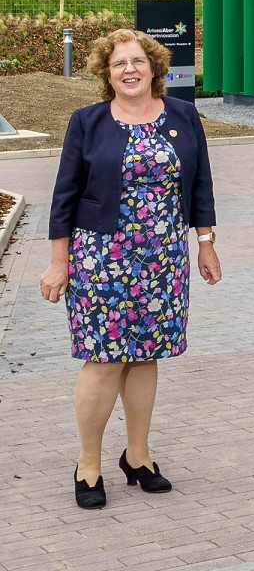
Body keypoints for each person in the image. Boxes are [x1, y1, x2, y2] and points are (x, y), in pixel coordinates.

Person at [40, 28, 221, 509]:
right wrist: (59, 263)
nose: (130, 70)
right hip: (101, 260)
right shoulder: (87, 122)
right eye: (119, 63)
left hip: (162, 259)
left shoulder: (183, 116)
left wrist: (205, 244)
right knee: (103, 360)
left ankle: (138, 457)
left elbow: (200, 184)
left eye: (138, 60)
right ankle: (88, 463)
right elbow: (64, 200)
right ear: (106, 72)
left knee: (145, 356)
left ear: (154, 66)